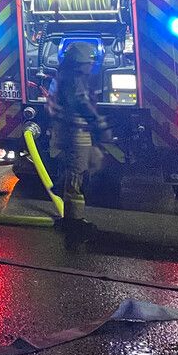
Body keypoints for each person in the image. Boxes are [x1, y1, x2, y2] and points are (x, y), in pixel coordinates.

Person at [48, 41, 111, 231]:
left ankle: (69, 208)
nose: (92, 66)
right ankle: (73, 221)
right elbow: (81, 102)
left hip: (75, 131)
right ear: (79, 62)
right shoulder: (73, 80)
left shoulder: (68, 77)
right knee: (76, 175)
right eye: (89, 62)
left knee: (80, 170)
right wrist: (99, 123)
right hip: (74, 132)